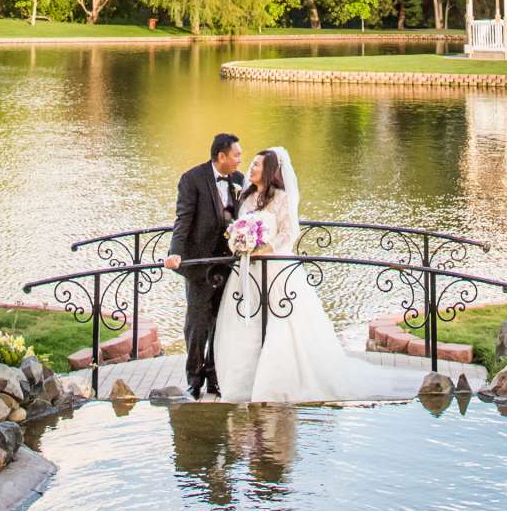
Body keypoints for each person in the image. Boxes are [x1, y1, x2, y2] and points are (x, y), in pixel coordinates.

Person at [211, 143, 412, 401]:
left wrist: (266, 248)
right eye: (252, 163)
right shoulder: (246, 196)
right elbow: (239, 226)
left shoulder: (281, 198)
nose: (251, 166)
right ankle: (245, 383)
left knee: (282, 324)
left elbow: (289, 232)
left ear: (270, 170)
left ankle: (277, 383)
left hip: (277, 269)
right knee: (246, 323)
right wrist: (239, 241)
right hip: (248, 270)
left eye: (257, 164)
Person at [165, 129, 244, 397]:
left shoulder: (240, 180)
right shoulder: (192, 179)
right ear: (221, 156)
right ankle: (194, 377)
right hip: (199, 265)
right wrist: (175, 252)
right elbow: (183, 219)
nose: (240, 160)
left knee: (221, 323)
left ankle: (214, 376)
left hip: (227, 265)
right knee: (197, 324)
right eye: (236, 155)